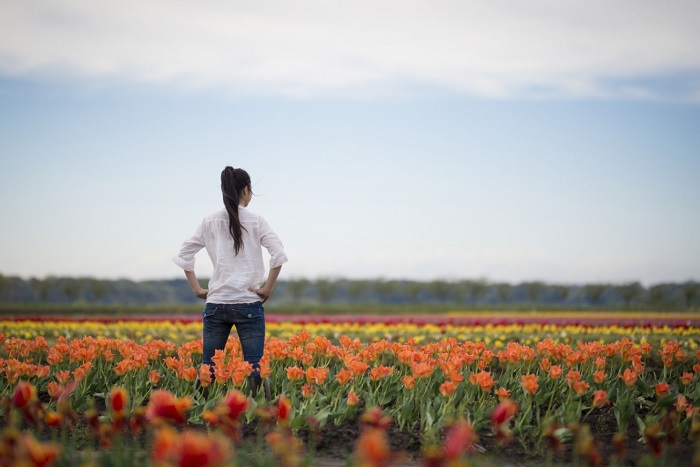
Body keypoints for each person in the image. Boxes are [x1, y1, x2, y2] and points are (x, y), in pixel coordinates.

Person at [172, 166, 287, 399]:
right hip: (248, 304)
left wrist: (197, 289)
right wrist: (267, 288)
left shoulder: (209, 221)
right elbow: (278, 254)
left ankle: (200, 413)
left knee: (209, 366)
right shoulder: (257, 221)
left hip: (216, 304)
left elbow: (185, 255)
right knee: (255, 365)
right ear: (246, 190)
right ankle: (258, 413)